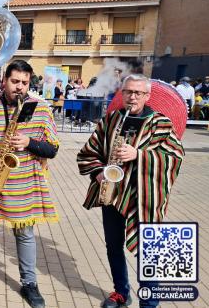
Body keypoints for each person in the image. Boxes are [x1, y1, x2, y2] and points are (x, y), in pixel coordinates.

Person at [77, 74, 184, 308]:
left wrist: (139, 155)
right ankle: (121, 293)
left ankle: (150, 302)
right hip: (112, 194)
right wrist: (98, 172)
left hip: (144, 199)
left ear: (147, 96)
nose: (132, 97)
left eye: (137, 93)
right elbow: (88, 153)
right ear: (121, 94)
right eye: (127, 92)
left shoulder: (161, 123)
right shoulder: (110, 120)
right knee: (113, 246)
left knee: (149, 251)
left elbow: (175, 157)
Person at [0, 60, 59, 308]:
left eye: (25, 83)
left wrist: (28, 142)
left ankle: (29, 284)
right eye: (15, 82)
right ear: (4, 81)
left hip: (24, 185)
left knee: (25, 234)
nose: (20, 87)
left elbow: (52, 149)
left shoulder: (41, 110)